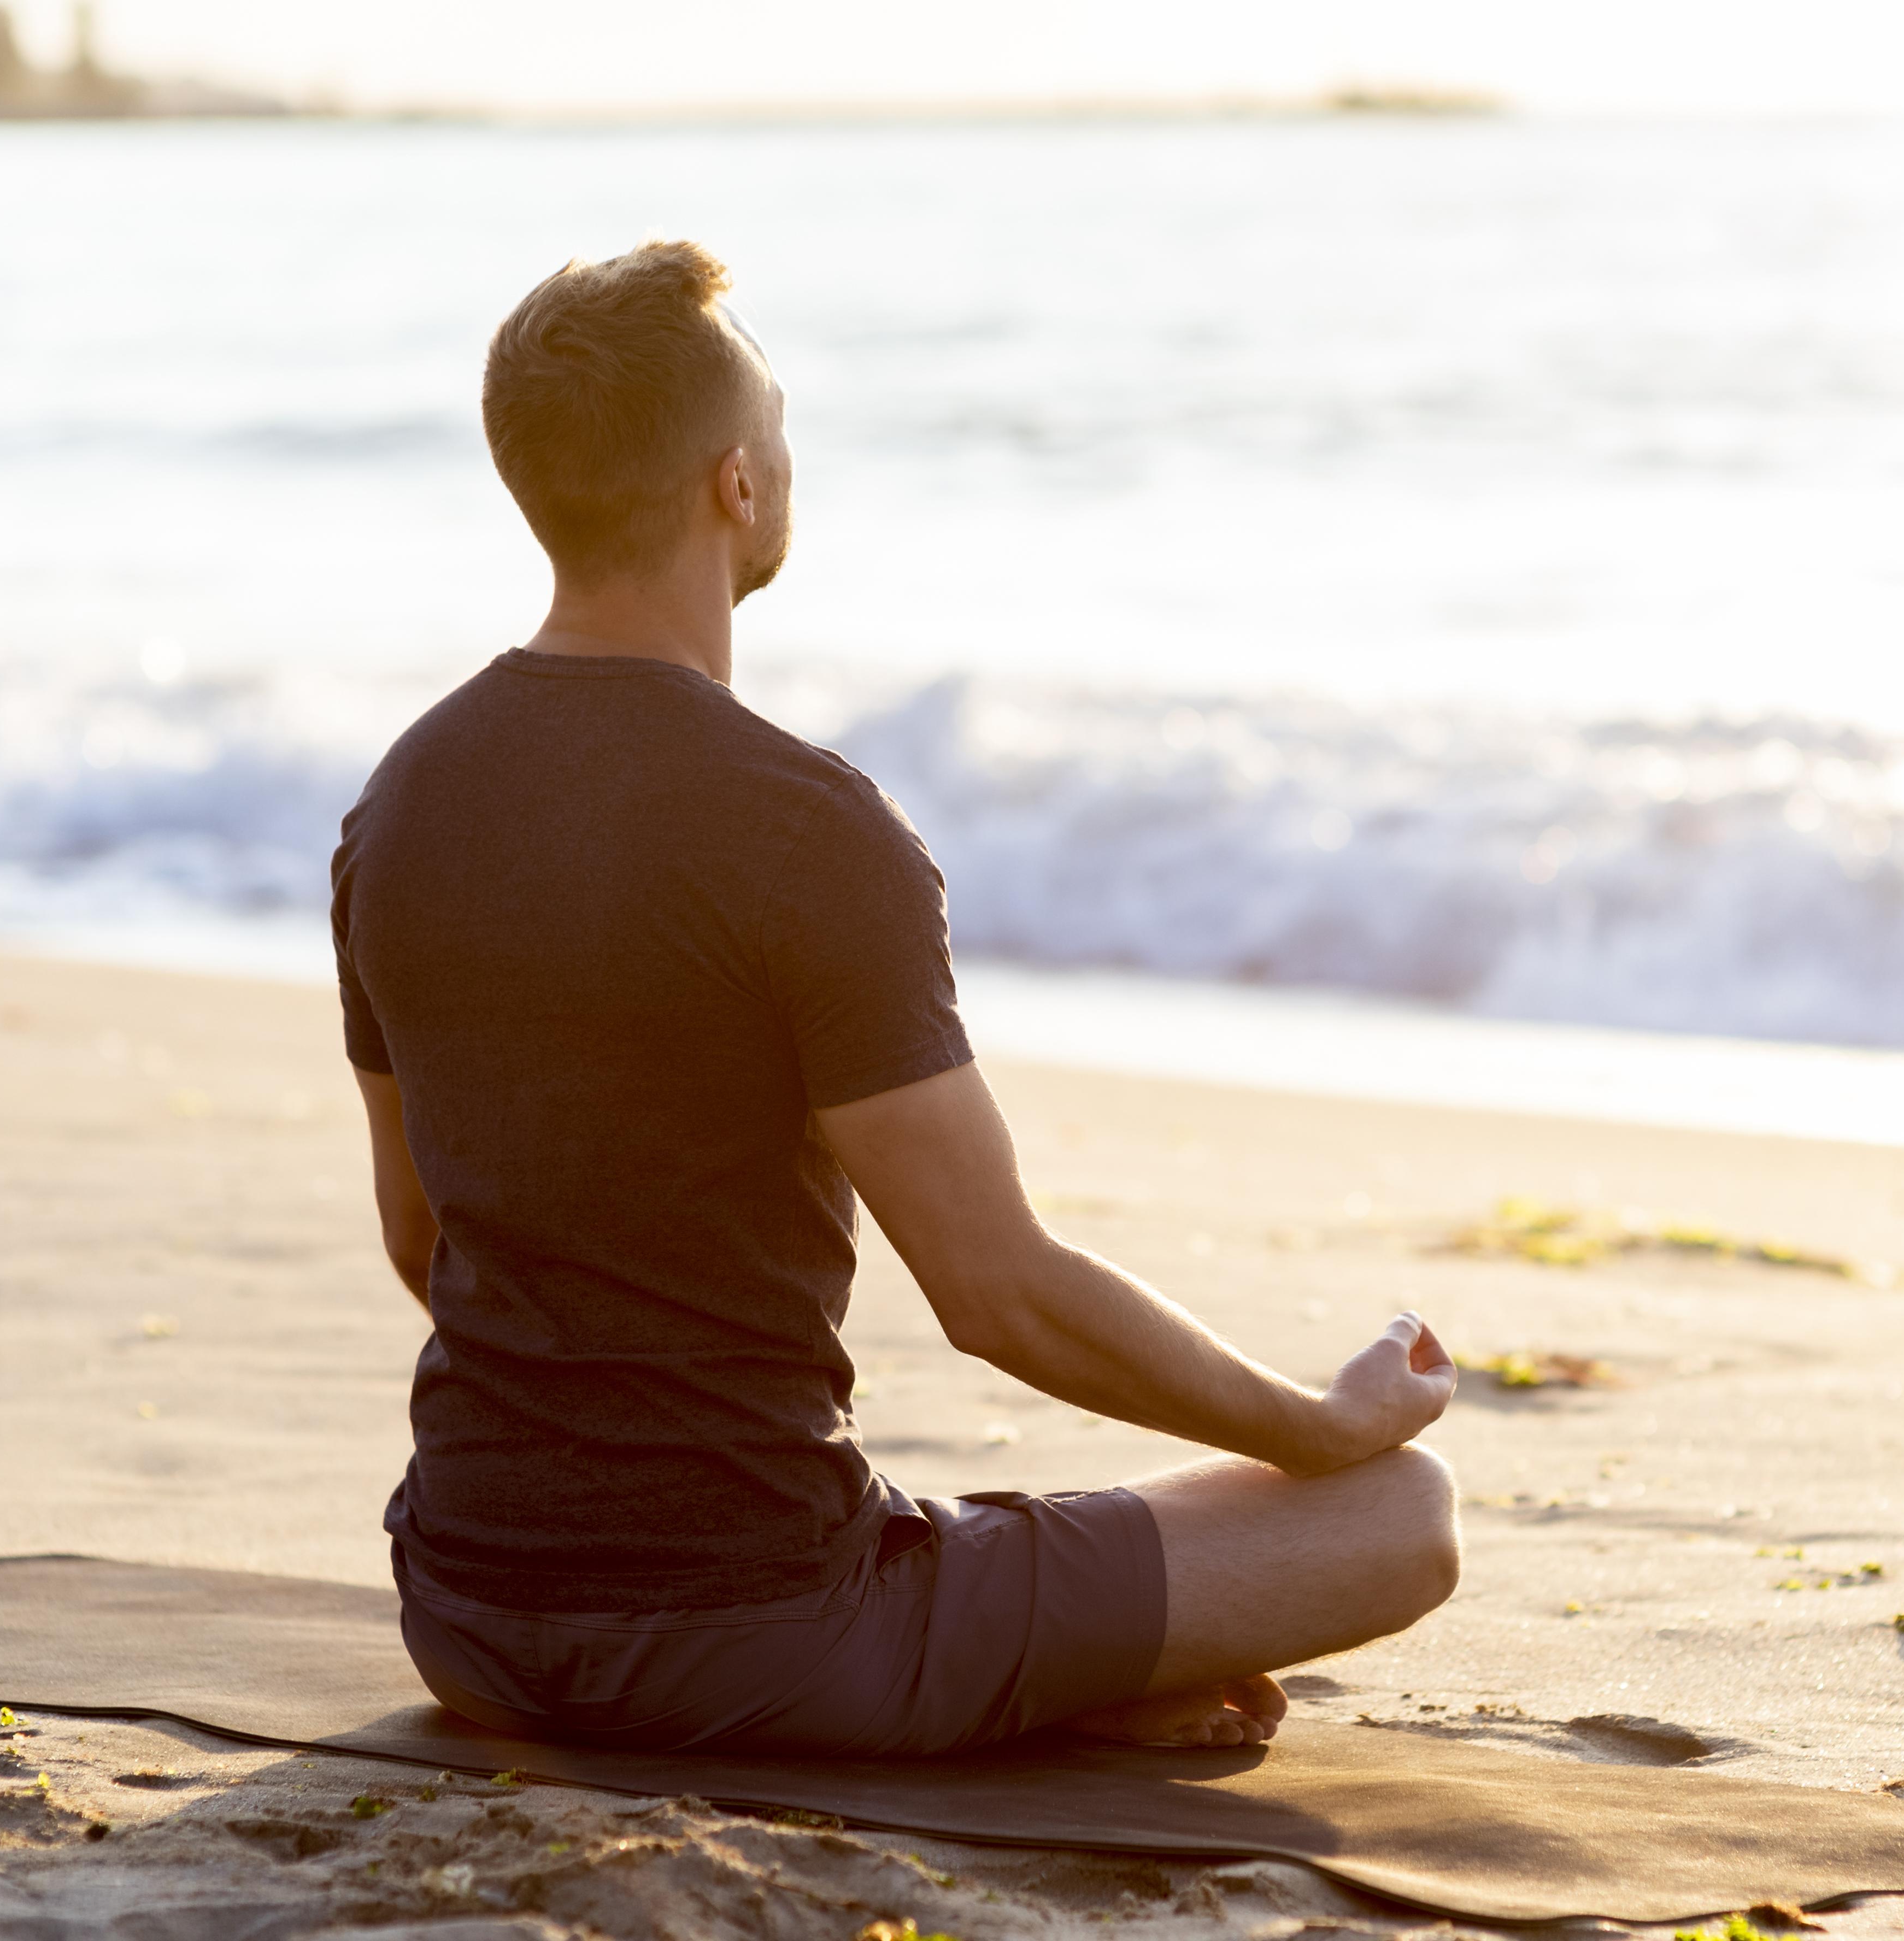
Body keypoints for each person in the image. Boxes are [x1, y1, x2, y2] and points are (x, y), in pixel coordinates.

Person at [331, 240, 1460, 1759]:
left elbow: (425, 1241)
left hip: (466, 1615)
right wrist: (1315, 1426)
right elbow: (996, 1295)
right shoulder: (804, 828)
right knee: (1398, 1516)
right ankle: (1034, 1677)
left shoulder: (396, 810)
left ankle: (1033, 1662)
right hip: (765, 1629)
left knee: (952, 1538)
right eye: (779, 426)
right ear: (737, 483)